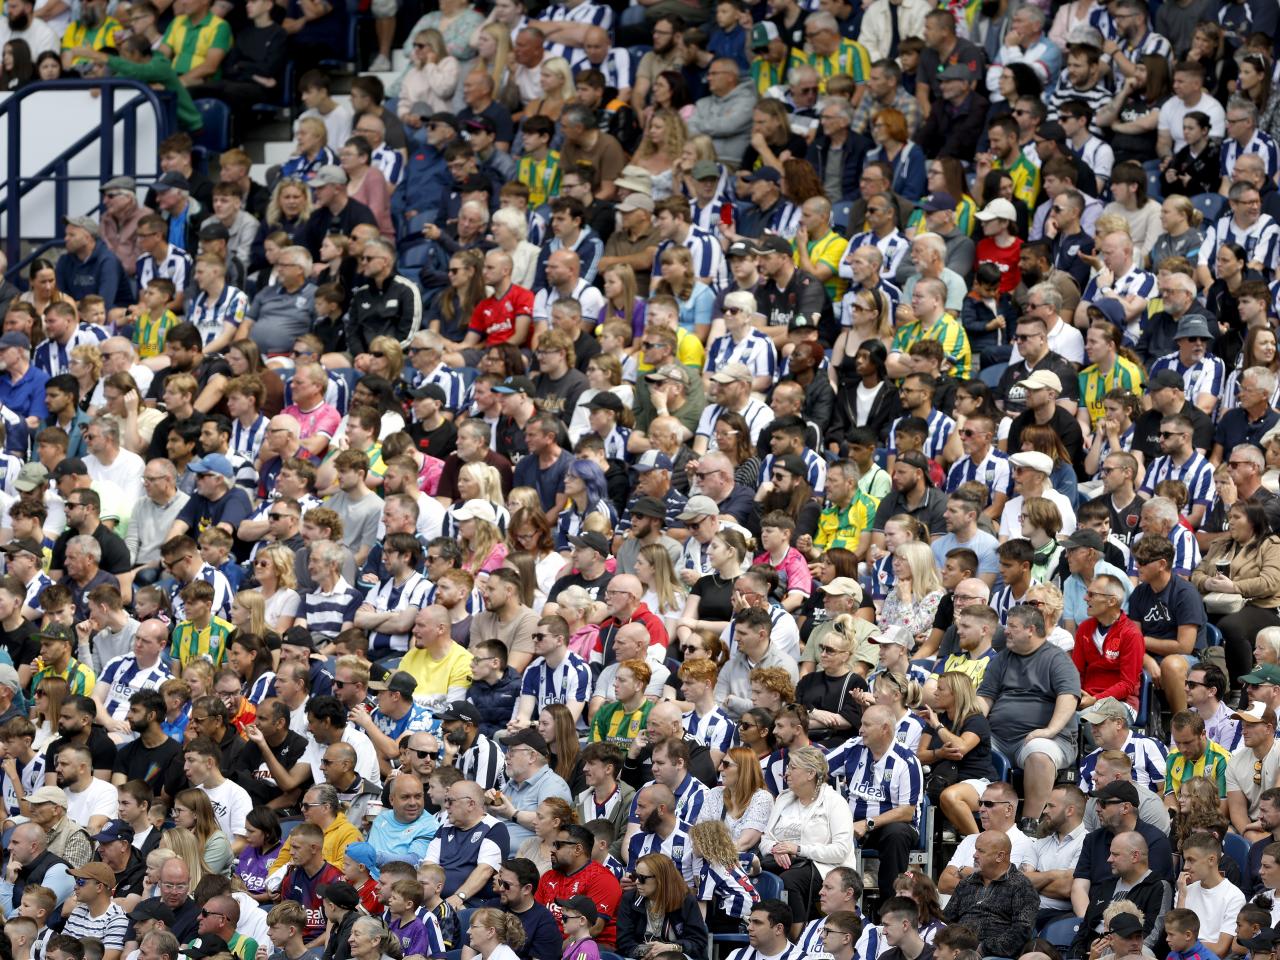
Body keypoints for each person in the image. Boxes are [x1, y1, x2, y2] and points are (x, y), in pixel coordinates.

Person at [942, 831, 1039, 957]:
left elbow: (1021, 933)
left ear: (1000, 856)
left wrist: (983, 949)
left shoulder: (1021, 886)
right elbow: (946, 919)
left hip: (992, 955)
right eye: (976, 849)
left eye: (981, 851)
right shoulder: (966, 883)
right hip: (956, 951)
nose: (974, 855)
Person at [615, 853, 710, 960]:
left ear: (660, 879)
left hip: (677, 955)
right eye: (635, 876)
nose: (637, 882)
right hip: (641, 957)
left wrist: (671, 947)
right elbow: (624, 941)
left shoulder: (685, 901)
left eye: (642, 878)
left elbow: (698, 941)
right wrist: (648, 952)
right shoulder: (630, 899)